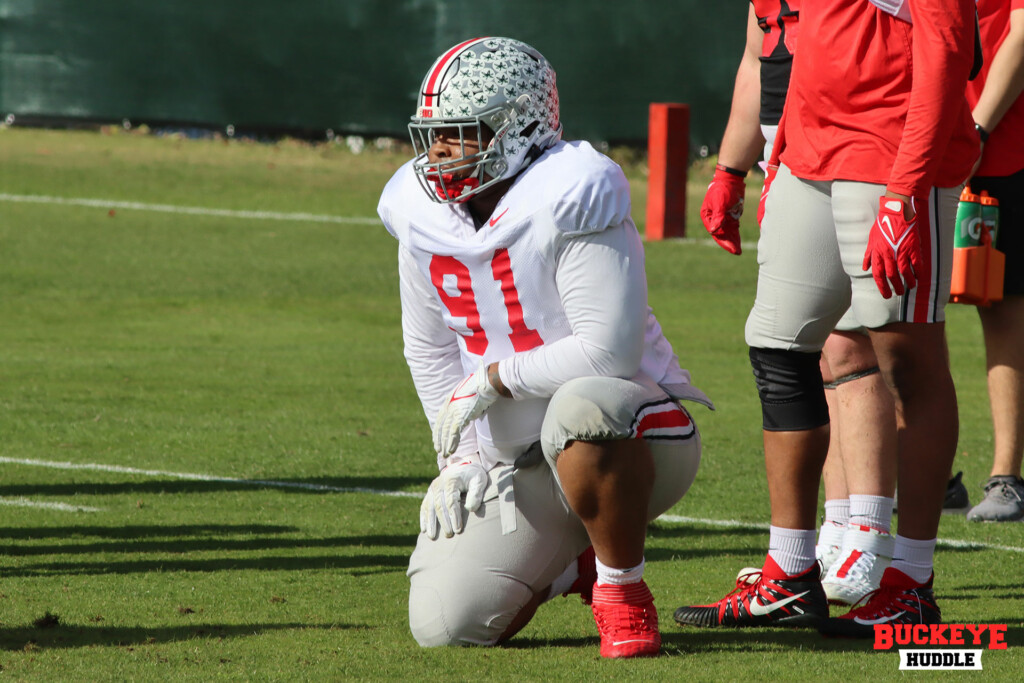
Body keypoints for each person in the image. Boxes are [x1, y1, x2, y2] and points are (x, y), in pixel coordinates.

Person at [377, 37, 712, 658]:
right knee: (447, 624)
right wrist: (461, 460)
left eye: (462, 132)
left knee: (582, 409)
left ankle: (621, 590)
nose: (439, 152)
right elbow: (429, 352)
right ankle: (572, 566)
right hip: (518, 454)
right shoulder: (418, 210)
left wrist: (494, 379)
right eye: (432, 135)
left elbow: (608, 353)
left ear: (521, 127)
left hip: (632, 430)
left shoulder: (573, 189)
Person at [674, 0, 979, 636]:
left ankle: (911, 584)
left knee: (906, 361)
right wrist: (768, 155)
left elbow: (946, 54)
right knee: (778, 347)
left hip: (892, 158)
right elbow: (794, 44)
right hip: (809, 152)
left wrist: (907, 189)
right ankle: (788, 573)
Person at [696, 0, 898, 609]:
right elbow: (758, 58)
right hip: (786, 143)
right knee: (804, 348)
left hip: (859, 136)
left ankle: (869, 531)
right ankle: (834, 529)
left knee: (852, 340)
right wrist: (731, 169)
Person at [962, 0, 1024, 522]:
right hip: (915, 141)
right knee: (904, 303)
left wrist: (975, 132)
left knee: (1000, 305)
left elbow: (1021, 36)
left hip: (999, 145)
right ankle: (929, 473)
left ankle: (1006, 477)